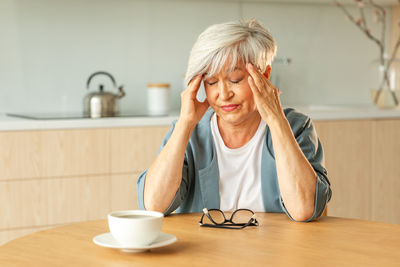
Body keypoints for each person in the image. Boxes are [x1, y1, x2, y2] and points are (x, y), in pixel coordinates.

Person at [137, 19, 331, 222]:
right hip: (204, 251)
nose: (223, 94)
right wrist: (185, 124)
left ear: (264, 75)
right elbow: (153, 205)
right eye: (211, 82)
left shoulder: (295, 127)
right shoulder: (190, 133)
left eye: (235, 80)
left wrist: (276, 120)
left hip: (276, 250)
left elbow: (304, 209)